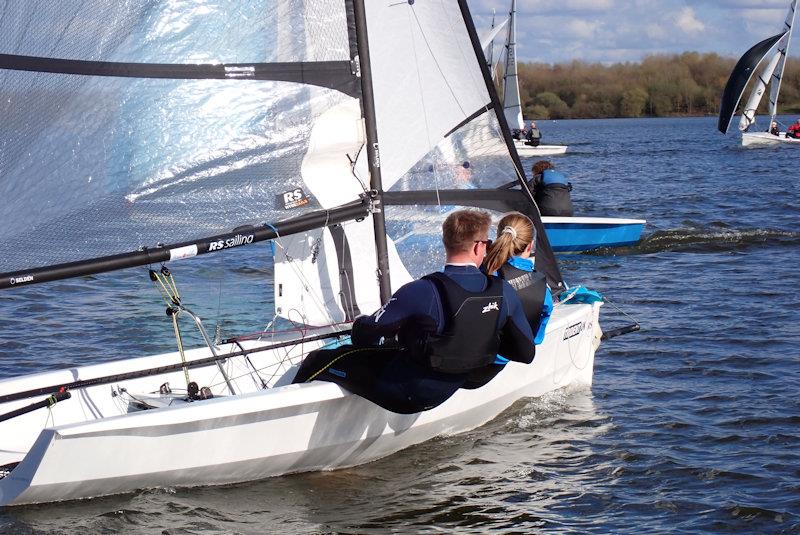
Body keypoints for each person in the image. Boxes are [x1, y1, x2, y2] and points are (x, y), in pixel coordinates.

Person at [292, 209, 537, 414]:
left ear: (446, 242)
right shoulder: (503, 291)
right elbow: (525, 353)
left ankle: (289, 426)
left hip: (406, 394)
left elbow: (363, 334)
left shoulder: (421, 290)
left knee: (319, 360)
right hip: (450, 387)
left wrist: (398, 334)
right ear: (478, 247)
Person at [463, 212, 553, 389]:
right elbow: (535, 338)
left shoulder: (477, 273)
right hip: (490, 369)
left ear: (498, 239)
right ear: (530, 246)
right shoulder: (545, 293)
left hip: (459, 364)